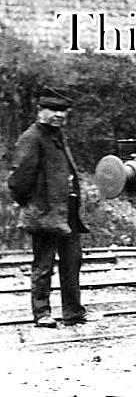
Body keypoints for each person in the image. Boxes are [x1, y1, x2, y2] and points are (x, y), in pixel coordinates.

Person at [6, 87, 89, 328]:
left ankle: (73, 313)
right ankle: (41, 313)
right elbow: (17, 180)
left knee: (72, 262)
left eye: (63, 111)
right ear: (40, 110)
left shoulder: (57, 135)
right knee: (43, 265)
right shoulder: (32, 137)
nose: (58, 115)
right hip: (44, 212)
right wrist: (31, 205)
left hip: (67, 212)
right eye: (53, 109)